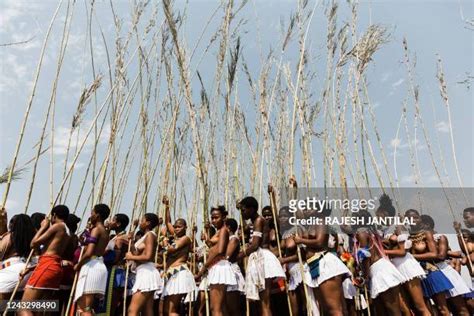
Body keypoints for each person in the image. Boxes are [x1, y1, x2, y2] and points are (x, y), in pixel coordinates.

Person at [375, 195, 430, 316]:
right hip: (394, 269)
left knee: (420, 306)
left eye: (378, 216)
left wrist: (382, 252)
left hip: (406, 266)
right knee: (404, 308)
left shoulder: (399, 227)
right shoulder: (382, 231)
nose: (377, 218)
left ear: (386, 214)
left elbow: (403, 251)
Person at [294, 205, 351, 316]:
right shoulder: (310, 224)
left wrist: (301, 240)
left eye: (309, 208)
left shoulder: (320, 220)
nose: (306, 210)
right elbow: (296, 213)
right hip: (315, 265)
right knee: (326, 308)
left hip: (325, 265)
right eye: (304, 208)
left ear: (318, 210)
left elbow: (320, 242)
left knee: (334, 309)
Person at [237, 196, 286, 316]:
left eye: (244, 210)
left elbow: (254, 245)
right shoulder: (255, 221)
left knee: (265, 302)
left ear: (252, 209)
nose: (242, 213)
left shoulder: (259, 220)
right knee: (262, 301)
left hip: (263, 259)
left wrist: (240, 255)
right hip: (259, 258)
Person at [19, 205, 71, 316]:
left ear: (54, 215)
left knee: (23, 308)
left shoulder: (57, 226)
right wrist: (30, 269)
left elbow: (33, 244)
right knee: (41, 309)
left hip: (47, 265)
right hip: (55, 267)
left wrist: (43, 226)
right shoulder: (67, 231)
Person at [354, 210, 404, 316]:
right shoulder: (371, 232)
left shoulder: (361, 232)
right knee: (390, 310)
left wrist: (365, 278)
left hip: (379, 271)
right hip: (383, 268)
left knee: (392, 310)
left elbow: (365, 256)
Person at [406, 209, 453, 316]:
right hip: (417, 275)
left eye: (415, 218)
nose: (412, 220)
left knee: (442, 309)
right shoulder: (407, 236)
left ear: (420, 219)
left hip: (431, 272)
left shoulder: (426, 233)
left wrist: (411, 256)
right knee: (426, 310)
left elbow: (434, 254)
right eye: (409, 219)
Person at [421, 214, 470, 316]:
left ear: (427, 224)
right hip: (432, 274)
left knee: (460, 306)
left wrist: (428, 253)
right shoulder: (420, 240)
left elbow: (441, 256)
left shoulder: (440, 238)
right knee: (442, 309)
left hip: (446, 272)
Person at [195, 206, 236, 316]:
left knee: (215, 308)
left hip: (219, 266)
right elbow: (214, 247)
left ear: (223, 217)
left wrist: (203, 269)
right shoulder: (220, 231)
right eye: (212, 218)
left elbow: (220, 251)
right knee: (221, 307)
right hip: (217, 266)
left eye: (216, 217)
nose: (214, 220)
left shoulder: (223, 230)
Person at [161, 196, 197, 316]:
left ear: (185, 228)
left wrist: (164, 240)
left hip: (179, 273)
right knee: (166, 310)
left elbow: (170, 250)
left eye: (179, 227)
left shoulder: (186, 239)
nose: (176, 229)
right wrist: (167, 206)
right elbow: (168, 222)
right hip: (172, 274)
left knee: (171, 310)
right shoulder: (176, 237)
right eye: (175, 227)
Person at [73, 204, 110, 315]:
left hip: (92, 266)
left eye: (92, 213)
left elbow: (89, 252)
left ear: (97, 215)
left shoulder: (96, 230)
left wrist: (78, 265)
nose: (91, 216)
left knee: (85, 308)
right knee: (86, 307)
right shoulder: (105, 231)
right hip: (99, 265)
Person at [125, 213, 163, 316]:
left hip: (146, 273)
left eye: (142, 220)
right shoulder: (146, 236)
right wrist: (132, 242)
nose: (140, 222)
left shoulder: (150, 235)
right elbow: (137, 253)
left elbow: (147, 256)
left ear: (148, 223)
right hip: (144, 272)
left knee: (132, 311)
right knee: (147, 310)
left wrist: (130, 257)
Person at [100, 213, 130, 315]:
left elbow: (115, 258)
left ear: (118, 224)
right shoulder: (118, 237)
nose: (110, 222)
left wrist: (103, 254)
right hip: (116, 270)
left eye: (113, 220)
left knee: (110, 303)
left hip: (115, 272)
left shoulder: (121, 238)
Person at [0, 211, 35, 299]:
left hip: (10, 271)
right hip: (27, 270)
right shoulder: (33, 238)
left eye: (11, 222)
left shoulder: (10, 236)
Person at [224, 218, 245, 316]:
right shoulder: (225, 239)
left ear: (228, 228)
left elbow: (226, 256)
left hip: (231, 272)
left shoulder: (233, 239)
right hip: (224, 271)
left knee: (233, 307)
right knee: (225, 307)